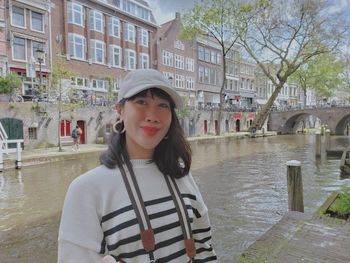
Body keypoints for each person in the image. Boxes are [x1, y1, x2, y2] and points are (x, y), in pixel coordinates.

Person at [58, 69, 217, 263]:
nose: (152, 115)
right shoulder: (86, 189)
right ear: (120, 110)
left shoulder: (182, 175)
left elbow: (204, 248)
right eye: (141, 102)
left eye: (162, 105)